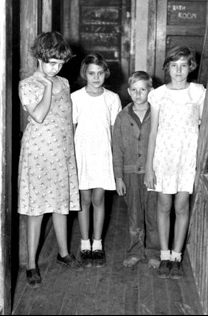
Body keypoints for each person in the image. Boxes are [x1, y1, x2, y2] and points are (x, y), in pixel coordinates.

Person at [18, 31, 84, 288]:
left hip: (62, 151)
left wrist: (70, 149)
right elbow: (39, 116)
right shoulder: (28, 84)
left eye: (60, 64)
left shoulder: (65, 83)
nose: (56, 69)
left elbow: (66, 119)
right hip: (38, 153)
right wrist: (46, 87)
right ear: (39, 58)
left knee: (60, 204)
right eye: (51, 63)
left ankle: (64, 253)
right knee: (36, 210)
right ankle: (32, 264)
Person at [144, 46, 206, 279]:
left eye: (183, 66)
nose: (178, 70)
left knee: (181, 206)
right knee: (164, 206)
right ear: (167, 67)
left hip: (187, 158)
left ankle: (177, 256)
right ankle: (164, 254)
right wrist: (149, 167)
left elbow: (203, 127)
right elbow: (153, 133)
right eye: (174, 65)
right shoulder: (158, 94)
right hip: (164, 158)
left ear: (190, 67)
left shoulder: (198, 92)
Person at [71, 53, 122, 268]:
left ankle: (97, 243)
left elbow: (114, 131)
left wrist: (114, 158)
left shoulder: (112, 98)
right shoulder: (75, 97)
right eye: (91, 73)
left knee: (99, 199)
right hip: (81, 154)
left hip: (102, 155)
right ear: (85, 74)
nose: (96, 77)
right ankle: (85, 242)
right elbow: (71, 129)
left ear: (105, 74)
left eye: (100, 73)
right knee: (84, 200)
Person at [113, 71, 160, 268]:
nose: (139, 94)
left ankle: (154, 252)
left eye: (143, 89)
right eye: (134, 90)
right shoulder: (123, 117)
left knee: (153, 214)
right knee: (134, 215)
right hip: (130, 173)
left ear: (151, 91)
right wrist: (118, 177)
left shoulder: (157, 115)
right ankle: (136, 251)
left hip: (153, 173)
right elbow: (117, 148)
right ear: (128, 91)